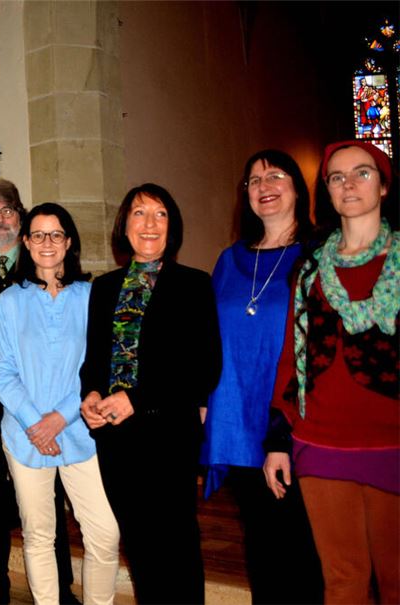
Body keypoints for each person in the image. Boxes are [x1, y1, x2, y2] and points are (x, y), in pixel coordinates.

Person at [264, 140, 398, 604]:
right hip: (320, 442)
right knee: (343, 581)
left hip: (393, 441)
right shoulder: (308, 270)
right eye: (337, 177)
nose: (349, 184)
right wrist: (280, 439)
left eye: (362, 173)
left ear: (382, 185)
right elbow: (290, 357)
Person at [80, 183, 221, 604]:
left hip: (169, 433)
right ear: (124, 226)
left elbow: (203, 366)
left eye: (160, 214)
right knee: (139, 545)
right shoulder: (103, 288)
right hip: (117, 438)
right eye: (140, 213)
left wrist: (135, 399)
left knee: (175, 544)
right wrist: (89, 394)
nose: (150, 224)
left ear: (171, 227)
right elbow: (95, 360)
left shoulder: (194, 284)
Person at [199, 150, 323, 603]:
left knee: (301, 543)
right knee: (260, 541)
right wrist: (202, 400)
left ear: (296, 189)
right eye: (253, 180)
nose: (263, 185)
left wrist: (284, 434)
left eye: (275, 175)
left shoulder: (318, 255)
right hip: (235, 421)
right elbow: (208, 339)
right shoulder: (229, 261)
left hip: (294, 422)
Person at [0, 203, 121, 605]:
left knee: (104, 531)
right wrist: (36, 422)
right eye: (39, 235)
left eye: (56, 235)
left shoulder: (92, 296)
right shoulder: (11, 301)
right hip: (25, 435)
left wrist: (59, 418)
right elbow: (2, 370)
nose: (48, 243)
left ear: (69, 243)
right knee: (39, 534)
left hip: (82, 428)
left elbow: (98, 367)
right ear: (26, 243)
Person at [0, 179, 80, 605]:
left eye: (7, 210)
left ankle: (60, 587)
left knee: (50, 491)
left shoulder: (40, 262)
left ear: (21, 216)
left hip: (41, 402)